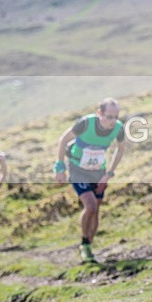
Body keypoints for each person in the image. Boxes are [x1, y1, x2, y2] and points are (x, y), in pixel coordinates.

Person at [54, 98, 126, 264]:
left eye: (116, 117)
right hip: (78, 169)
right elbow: (63, 140)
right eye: (109, 117)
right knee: (90, 205)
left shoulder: (118, 129)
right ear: (99, 113)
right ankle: (85, 243)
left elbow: (120, 149)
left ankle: (89, 247)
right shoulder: (85, 124)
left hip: (98, 172)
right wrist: (60, 167)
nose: (113, 121)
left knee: (97, 209)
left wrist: (108, 174)